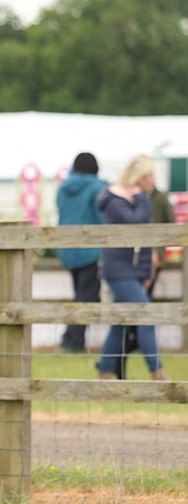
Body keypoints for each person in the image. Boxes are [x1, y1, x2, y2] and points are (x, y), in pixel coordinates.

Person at [96, 154, 166, 381]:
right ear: (140, 178)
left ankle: (105, 373)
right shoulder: (117, 200)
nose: (153, 181)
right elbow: (137, 224)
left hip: (131, 271)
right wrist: (144, 200)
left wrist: (145, 272)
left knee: (120, 322)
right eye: (150, 176)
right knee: (145, 315)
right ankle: (157, 371)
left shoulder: (131, 198)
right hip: (119, 271)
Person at [55, 153, 108, 353]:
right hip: (91, 250)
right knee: (88, 297)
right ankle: (72, 341)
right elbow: (102, 217)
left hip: (68, 249)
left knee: (81, 294)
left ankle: (74, 340)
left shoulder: (63, 188)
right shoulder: (97, 188)